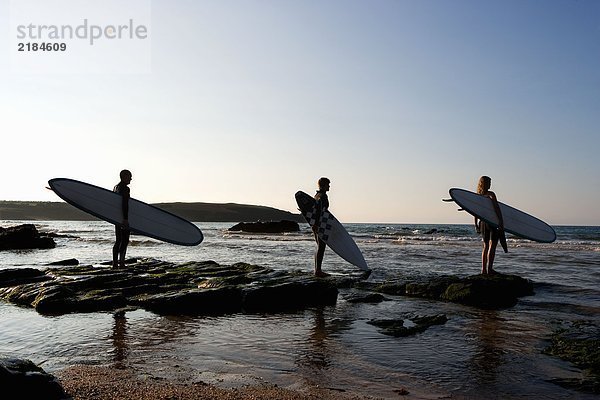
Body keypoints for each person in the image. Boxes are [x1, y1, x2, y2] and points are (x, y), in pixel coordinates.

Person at [474, 176, 504, 275]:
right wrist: (500, 220)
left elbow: (475, 211)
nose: (490, 185)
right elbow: (496, 208)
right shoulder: (491, 194)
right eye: (489, 183)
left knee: (485, 246)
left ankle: (483, 270)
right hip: (492, 222)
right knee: (493, 245)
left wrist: (476, 224)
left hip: (482, 222)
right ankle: (490, 269)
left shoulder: (477, 195)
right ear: (485, 183)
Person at [112, 169, 132, 268]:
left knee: (118, 240)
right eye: (129, 176)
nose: (131, 179)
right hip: (122, 218)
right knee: (124, 240)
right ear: (124, 177)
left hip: (116, 218)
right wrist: (125, 218)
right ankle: (121, 263)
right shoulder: (125, 188)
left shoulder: (115, 187)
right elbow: (125, 203)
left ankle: (115, 263)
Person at [312, 177, 330, 277]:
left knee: (319, 246)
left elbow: (313, 209)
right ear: (323, 185)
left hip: (315, 223)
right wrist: (316, 224)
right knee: (321, 246)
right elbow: (319, 210)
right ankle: (318, 271)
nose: (329, 186)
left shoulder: (316, 195)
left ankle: (317, 270)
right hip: (319, 224)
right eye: (328, 185)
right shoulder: (322, 196)